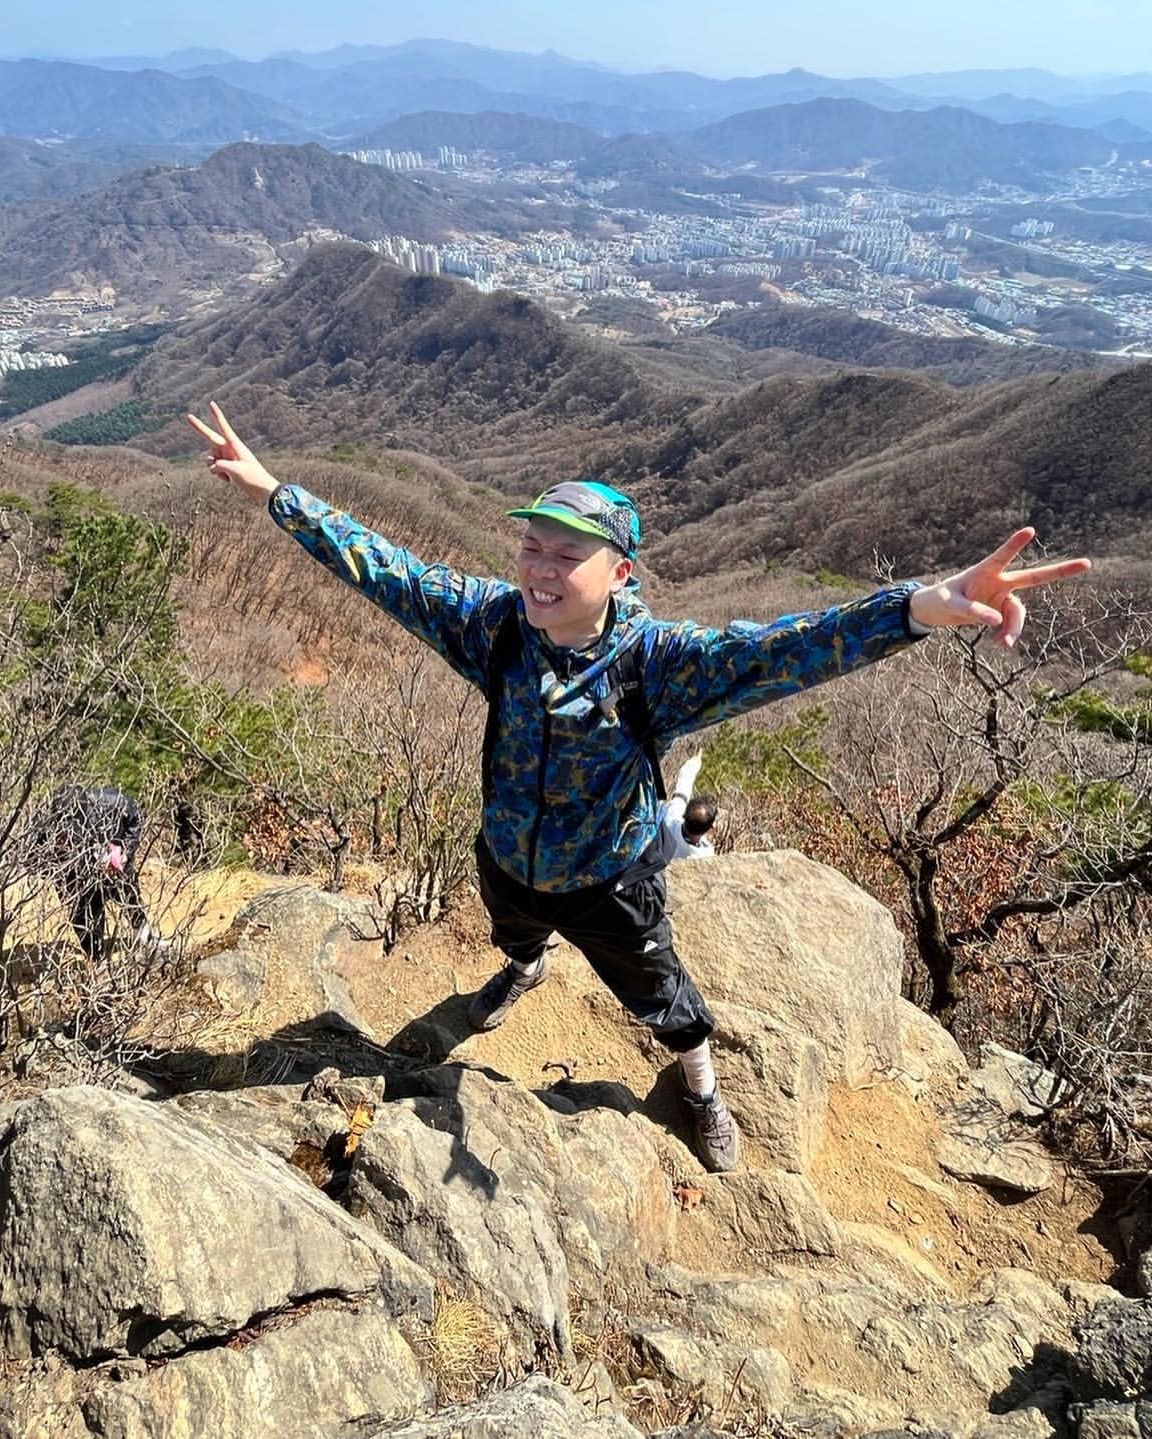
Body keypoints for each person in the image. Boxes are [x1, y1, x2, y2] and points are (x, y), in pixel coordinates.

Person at [187, 401, 1091, 1174]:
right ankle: (525, 964)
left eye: (567, 556)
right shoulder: (494, 627)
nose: (539, 568)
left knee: (666, 1000)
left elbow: (782, 649)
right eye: (532, 546)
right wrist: (275, 492)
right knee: (513, 930)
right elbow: (380, 564)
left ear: (619, 574)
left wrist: (917, 607)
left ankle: (701, 1087)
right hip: (508, 853)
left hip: (610, 875)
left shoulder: (654, 665)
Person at [29, 785, 154, 961]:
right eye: (63, 822)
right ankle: (96, 959)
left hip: (114, 862)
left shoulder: (110, 801)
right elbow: (32, 859)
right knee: (83, 918)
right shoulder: (46, 823)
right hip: (74, 876)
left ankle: (145, 939)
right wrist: (58, 869)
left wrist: (126, 851)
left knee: (129, 897)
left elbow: (136, 817)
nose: (68, 827)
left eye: (74, 819)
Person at [662, 752, 716, 859]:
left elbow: (682, 790)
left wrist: (693, 763)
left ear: (684, 815)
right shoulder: (705, 855)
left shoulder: (671, 819)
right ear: (710, 828)